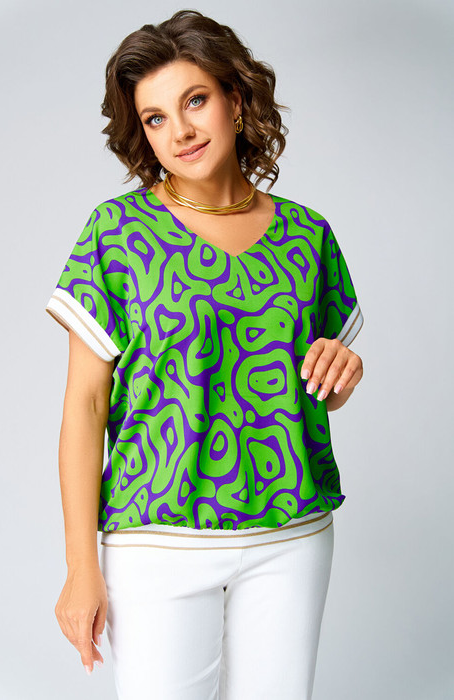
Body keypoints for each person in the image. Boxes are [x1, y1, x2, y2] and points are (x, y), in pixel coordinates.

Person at [45, 9, 364, 700]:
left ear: (236, 100)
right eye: (155, 118)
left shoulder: (307, 235)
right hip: (157, 540)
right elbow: (85, 405)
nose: (180, 131)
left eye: (194, 101)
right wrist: (80, 566)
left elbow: (321, 387)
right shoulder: (116, 233)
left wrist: (343, 372)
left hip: (292, 535)